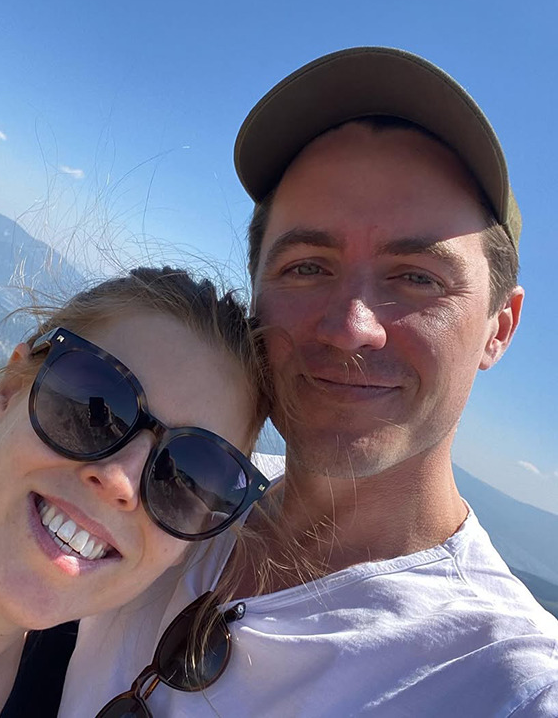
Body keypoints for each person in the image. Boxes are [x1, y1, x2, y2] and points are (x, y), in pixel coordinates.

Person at [59, 48, 558, 716]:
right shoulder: (175, 489)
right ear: (257, 288)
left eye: (417, 277)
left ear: (500, 328)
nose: (350, 326)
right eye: (306, 266)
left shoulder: (505, 681)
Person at [0, 266, 271, 717]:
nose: (120, 481)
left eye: (184, 477)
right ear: (10, 391)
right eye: (96, 408)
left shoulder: (84, 696)